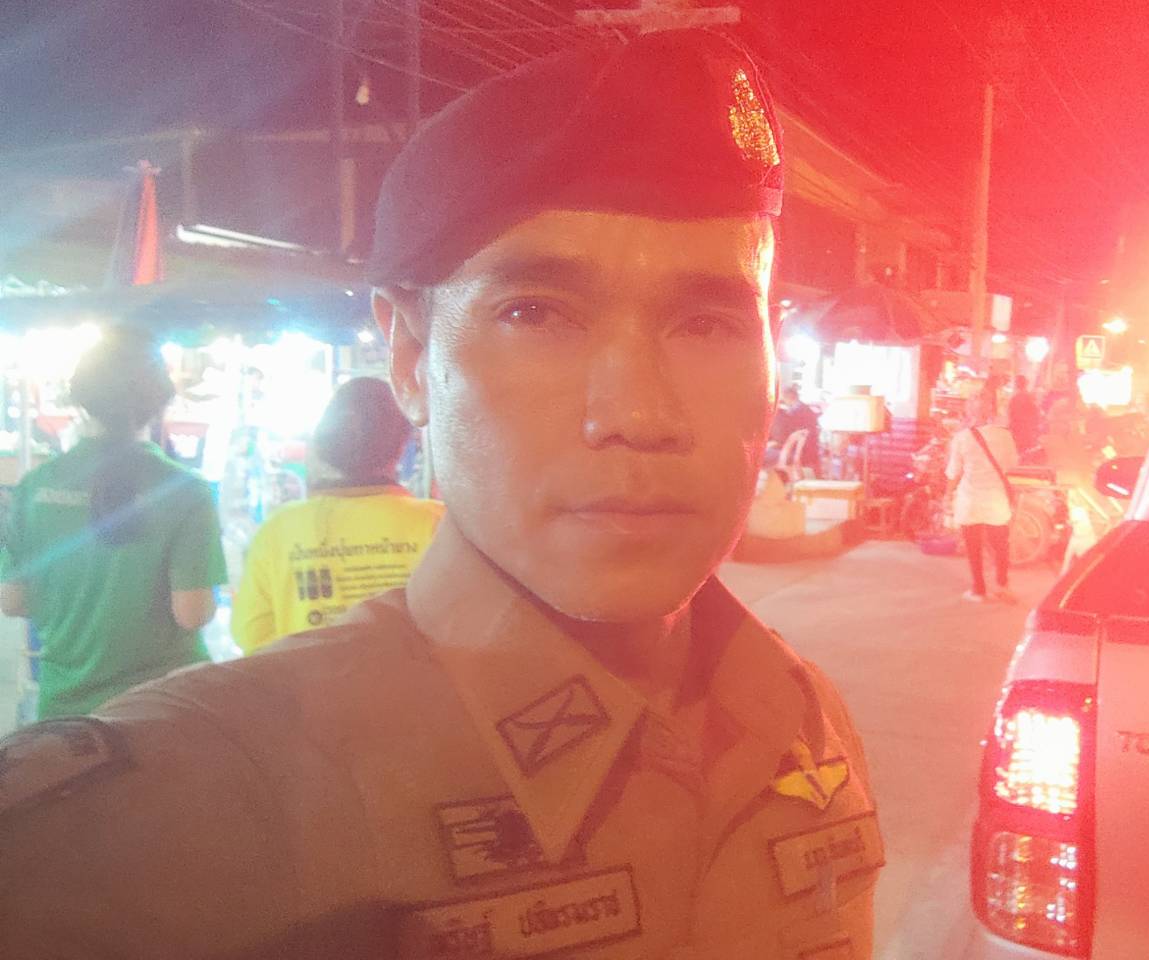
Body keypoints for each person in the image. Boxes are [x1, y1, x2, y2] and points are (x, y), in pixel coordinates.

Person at [0, 31, 880, 960]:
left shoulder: (803, 723)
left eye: (707, 323)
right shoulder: (174, 824)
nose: (637, 413)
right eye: (535, 313)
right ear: (412, 358)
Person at [0, 327, 226, 719]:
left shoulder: (35, 486)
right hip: (159, 713)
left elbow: (13, 600)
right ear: (160, 400)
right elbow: (192, 613)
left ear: (80, 397)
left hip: (66, 715)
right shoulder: (186, 490)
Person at [231, 376, 443, 653]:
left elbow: (251, 636)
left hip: (309, 680)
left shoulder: (278, 530)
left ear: (322, 442)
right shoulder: (438, 524)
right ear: (403, 446)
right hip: (414, 680)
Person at [946, 392, 1019, 603]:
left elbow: (954, 472)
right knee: (1000, 545)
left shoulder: (961, 438)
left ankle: (979, 590)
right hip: (996, 498)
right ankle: (1003, 586)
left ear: (969, 412)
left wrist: (947, 495)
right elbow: (1011, 464)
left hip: (971, 499)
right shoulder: (1004, 436)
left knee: (973, 546)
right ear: (991, 411)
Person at [768, 382, 821, 475]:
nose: (782, 401)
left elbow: (784, 437)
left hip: (800, 452)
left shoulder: (795, 413)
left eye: (782, 398)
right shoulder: (803, 408)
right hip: (807, 450)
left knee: (761, 455)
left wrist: (773, 443)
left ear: (788, 397)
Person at [1006, 373, 1041, 455]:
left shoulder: (1014, 398)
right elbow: (1036, 414)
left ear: (1017, 384)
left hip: (1018, 430)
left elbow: (1011, 415)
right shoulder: (1029, 397)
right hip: (1026, 430)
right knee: (1027, 451)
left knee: (1019, 451)